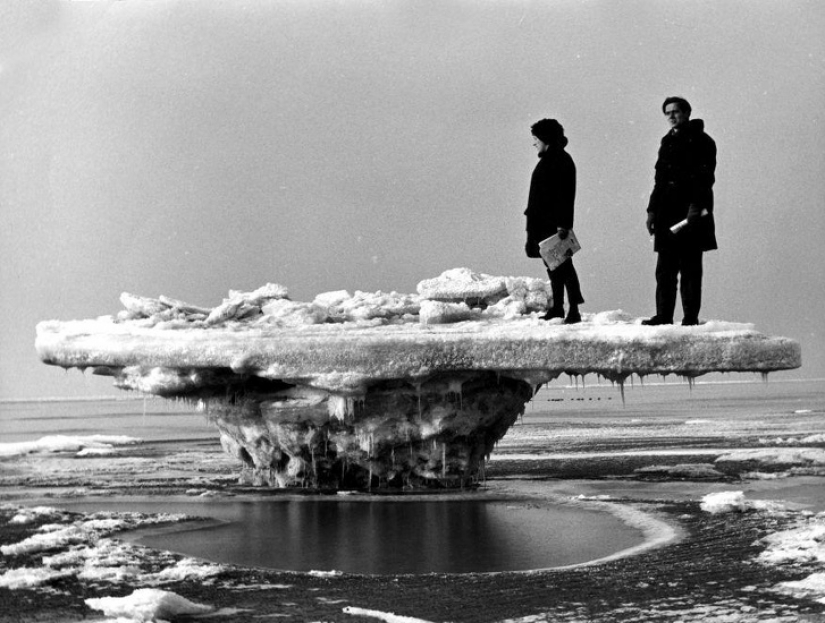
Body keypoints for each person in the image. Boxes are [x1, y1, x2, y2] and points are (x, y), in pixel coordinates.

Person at [643, 96, 717, 326]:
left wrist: (696, 205)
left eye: (675, 111)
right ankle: (663, 315)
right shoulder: (667, 142)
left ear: (686, 112)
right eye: (667, 113)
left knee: (690, 268)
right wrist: (652, 211)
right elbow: (660, 180)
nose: (671, 116)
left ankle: (690, 318)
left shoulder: (703, 141)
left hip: (690, 214)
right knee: (665, 269)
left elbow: (705, 177)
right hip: (666, 212)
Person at [524, 118, 584, 324]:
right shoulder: (552, 159)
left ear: (545, 138)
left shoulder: (560, 160)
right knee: (554, 267)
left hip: (553, 225)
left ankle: (573, 309)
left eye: (536, 138)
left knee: (563, 266)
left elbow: (565, 195)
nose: (534, 143)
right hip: (543, 223)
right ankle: (558, 307)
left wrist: (563, 224)